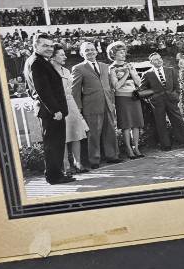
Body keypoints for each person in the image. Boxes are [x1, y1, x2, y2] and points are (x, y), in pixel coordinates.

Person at [27, 34, 72, 185]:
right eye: (45, 45)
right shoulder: (36, 63)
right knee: (53, 145)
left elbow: (30, 89)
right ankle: (54, 176)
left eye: (51, 46)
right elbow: (42, 90)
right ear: (35, 46)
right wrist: (55, 110)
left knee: (55, 144)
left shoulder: (36, 61)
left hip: (48, 111)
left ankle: (57, 174)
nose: (49, 48)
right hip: (52, 113)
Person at [71, 39, 120, 167]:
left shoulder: (104, 66)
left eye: (92, 49)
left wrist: (112, 102)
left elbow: (109, 86)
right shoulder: (78, 68)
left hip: (107, 104)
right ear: (82, 53)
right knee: (93, 134)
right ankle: (94, 160)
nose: (90, 52)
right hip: (91, 106)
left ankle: (112, 156)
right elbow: (75, 90)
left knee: (110, 131)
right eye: (87, 50)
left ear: (96, 51)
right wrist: (78, 108)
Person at [138, 51, 184, 150]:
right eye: (156, 59)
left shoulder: (170, 70)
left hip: (171, 99)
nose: (159, 60)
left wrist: (176, 95)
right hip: (157, 102)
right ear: (151, 62)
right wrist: (151, 98)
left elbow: (177, 85)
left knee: (178, 120)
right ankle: (166, 144)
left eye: (160, 58)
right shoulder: (147, 74)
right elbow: (142, 90)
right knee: (160, 123)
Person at [51, 46, 88, 176]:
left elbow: (71, 90)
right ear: (53, 56)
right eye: (61, 55)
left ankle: (78, 163)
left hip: (71, 103)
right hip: (58, 105)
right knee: (63, 136)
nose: (65, 57)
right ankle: (66, 166)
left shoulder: (66, 71)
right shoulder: (49, 71)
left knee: (76, 133)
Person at [107, 41, 144, 159]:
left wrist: (132, 71)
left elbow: (139, 83)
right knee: (126, 125)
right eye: (120, 52)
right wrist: (126, 73)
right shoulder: (112, 68)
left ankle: (136, 148)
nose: (123, 54)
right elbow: (116, 86)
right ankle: (129, 149)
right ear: (113, 54)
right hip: (122, 98)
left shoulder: (130, 65)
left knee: (136, 123)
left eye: (124, 52)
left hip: (134, 97)